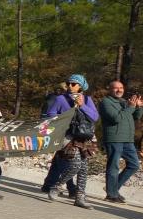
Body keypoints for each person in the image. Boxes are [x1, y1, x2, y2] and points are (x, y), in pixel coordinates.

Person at [44, 74, 99, 209]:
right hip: (67, 137)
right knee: (75, 165)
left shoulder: (86, 99)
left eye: (73, 84)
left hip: (84, 137)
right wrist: (62, 118)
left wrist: (82, 106)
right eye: (68, 83)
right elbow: (51, 114)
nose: (70, 86)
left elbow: (95, 117)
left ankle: (80, 197)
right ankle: (56, 187)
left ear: (80, 86)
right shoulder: (60, 99)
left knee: (84, 168)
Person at [98, 80, 142, 203]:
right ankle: (111, 195)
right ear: (110, 90)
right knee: (114, 166)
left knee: (134, 164)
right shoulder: (106, 102)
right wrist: (130, 107)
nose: (119, 90)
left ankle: (113, 189)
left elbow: (135, 117)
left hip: (127, 140)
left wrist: (138, 107)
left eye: (121, 88)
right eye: (115, 88)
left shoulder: (124, 102)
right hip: (114, 139)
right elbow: (116, 118)